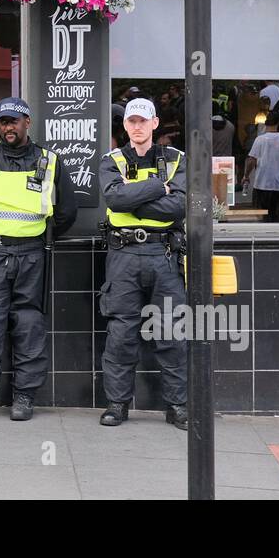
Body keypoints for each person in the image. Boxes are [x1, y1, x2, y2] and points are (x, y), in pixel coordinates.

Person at [0, 97, 76, 422]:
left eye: (14, 121)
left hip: (33, 253)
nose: (8, 127)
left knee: (29, 326)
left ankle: (24, 396)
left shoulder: (49, 161)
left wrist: (36, 235)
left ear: (27, 122)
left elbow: (66, 212)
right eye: (3, 122)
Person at [96, 98, 189, 430]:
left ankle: (177, 406)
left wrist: (133, 202)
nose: (136, 127)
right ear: (125, 126)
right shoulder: (112, 160)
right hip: (123, 256)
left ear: (155, 123)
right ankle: (117, 405)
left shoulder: (177, 159)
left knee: (172, 334)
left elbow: (178, 208)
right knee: (121, 334)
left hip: (163, 255)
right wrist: (156, 189)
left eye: (142, 121)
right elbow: (113, 198)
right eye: (131, 121)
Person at [244, 112, 279, 223]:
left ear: (266, 122)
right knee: (276, 213)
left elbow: (251, 160)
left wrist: (246, 176)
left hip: (262, 182)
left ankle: (264, 236)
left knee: (262, 215)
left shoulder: (260, 140)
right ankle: (277, 235)